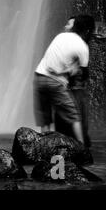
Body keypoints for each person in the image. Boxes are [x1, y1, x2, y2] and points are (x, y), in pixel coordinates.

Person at [33, 15, 96, 145]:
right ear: (88, 31)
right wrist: (71, 72)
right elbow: (84, 74)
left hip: (39, 76)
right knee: (74, 117)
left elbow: (54, 58)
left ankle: (44, 148)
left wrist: (65, 69)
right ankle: (81, 146)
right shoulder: (82, 47)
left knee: (45, 120)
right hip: (55, 82)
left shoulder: (60, 36)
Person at [55, 17, 92, 147]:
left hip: (72, 93)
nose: (65, 26)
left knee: (68, 132)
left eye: (69, 24)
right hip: (73, 93)